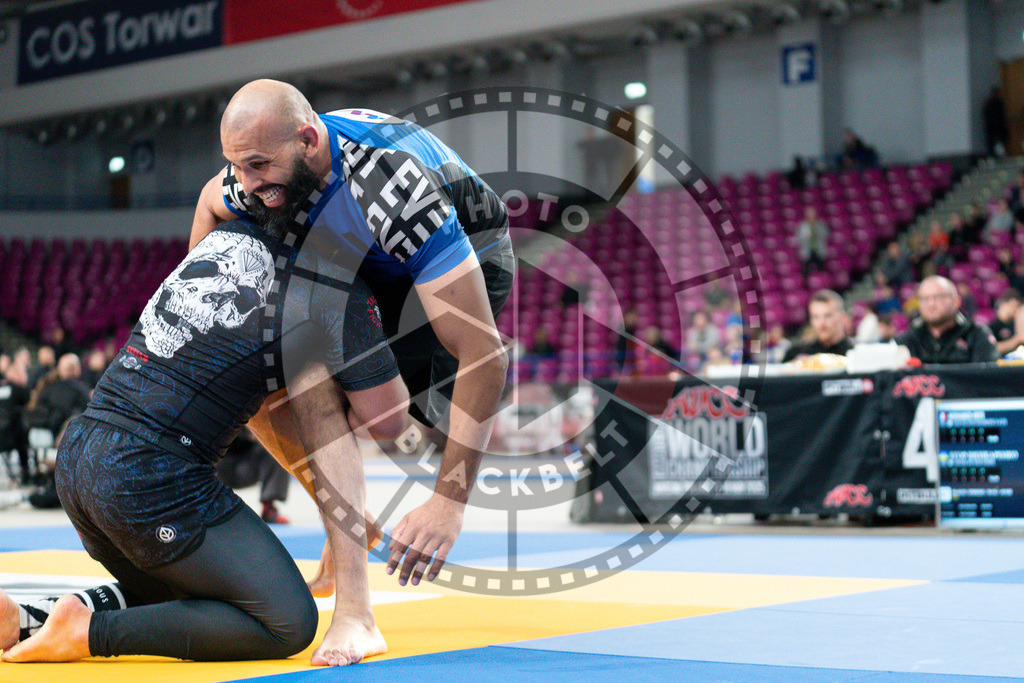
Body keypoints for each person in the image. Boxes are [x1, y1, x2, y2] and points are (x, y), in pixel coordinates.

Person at [0, 217, 410, 666]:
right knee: (287, 621)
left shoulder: (227, 231)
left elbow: (214, 192)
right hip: (143, 476)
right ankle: (88, 632)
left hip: (78, 459)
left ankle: (28, 619)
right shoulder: (337, 289)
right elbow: (388, 423)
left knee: (195, 590)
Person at [190, 81, 511, 597]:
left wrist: (448, 503)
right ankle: (347, 521)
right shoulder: (256, 169)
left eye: (258, 166)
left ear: (308, 142)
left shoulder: (393, 188)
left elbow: (485, 355)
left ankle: (354, 508)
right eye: (238, 167)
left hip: (467, 250)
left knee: (383, 421)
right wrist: (200, 307)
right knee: (247, 375)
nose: (246, 184)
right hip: (359, 250)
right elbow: (209, 203)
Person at [896, 276, 997, 364]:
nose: (931, 304)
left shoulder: (977, 334)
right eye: (924, 299)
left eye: (938, 297)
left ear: (956, 301)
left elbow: (987, 375)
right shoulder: (910, 338)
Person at [782, 289, 854, 361]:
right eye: (816, 317)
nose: (821, 323)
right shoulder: (796, 354)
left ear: (842, 316)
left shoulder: (855, 353)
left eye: (827, 316)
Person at [988, 289, 1024, 357]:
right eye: (1013, 306)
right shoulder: (992, 326)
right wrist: (1016, 340)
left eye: (1017, 307)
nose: (1015, 310)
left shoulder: (1013, 325)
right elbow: (991, 349)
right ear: (1003, 304)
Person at [797, 206, 828, 278]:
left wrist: (817, 235)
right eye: (809, 214)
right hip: (807, 250)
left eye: (812, 213)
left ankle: (821, 280)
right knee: (806, 269)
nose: (811, 215)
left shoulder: (820, 224)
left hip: (818, 249)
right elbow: (799, 238)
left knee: (820, 268)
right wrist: (807, 237)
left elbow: (826, 235)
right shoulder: (802, 225)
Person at [983, 86, 1009, 157]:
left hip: (995, 126)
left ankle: (997, 155)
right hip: (995, 126)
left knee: (996, 143)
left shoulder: (994, 103)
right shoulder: (992, 103)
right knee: (994, 143)